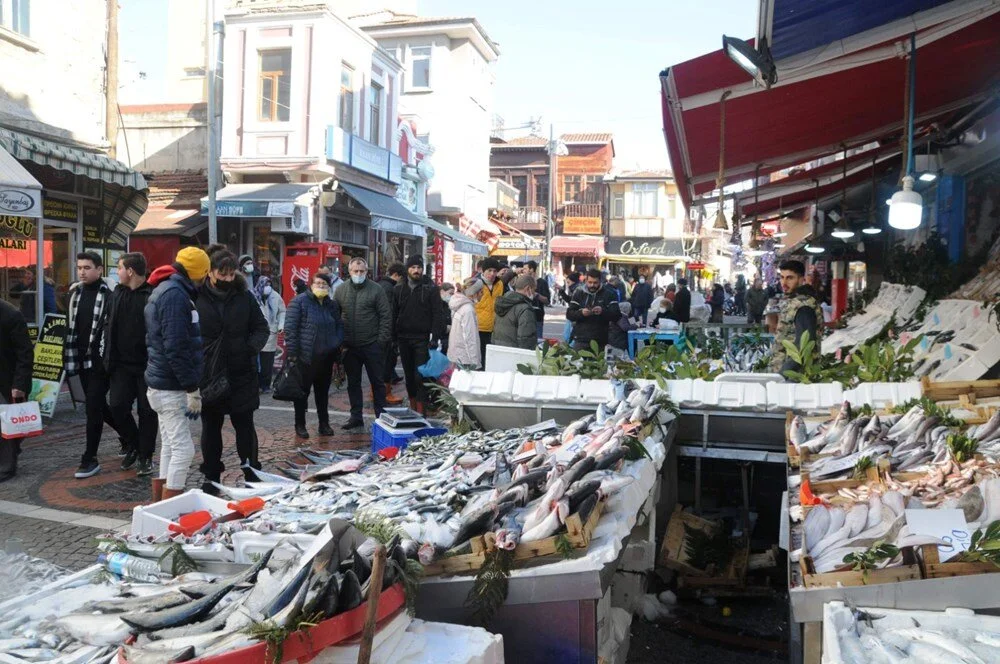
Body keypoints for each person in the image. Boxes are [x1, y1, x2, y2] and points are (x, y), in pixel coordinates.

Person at [196, 246, 269, 494]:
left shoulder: (244, 296)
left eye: (231, 274)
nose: (227, 279)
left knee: (245, 426)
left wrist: (250, 349)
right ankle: (211, 474)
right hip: (209, 375)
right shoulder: (196, 296)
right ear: (210, 272)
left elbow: (262, 328)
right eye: (222, 274)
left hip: (241, 372)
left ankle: (251, 470)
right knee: (211, 427)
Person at [145, 247, 209, 501]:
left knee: (171, 446)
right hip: (170, 387)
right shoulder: (175, 296)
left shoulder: (168, 289)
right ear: (197, 273)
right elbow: (176, 346)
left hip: (163, 383)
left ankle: (159, 505)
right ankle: (169, 506)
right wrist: (191, 388)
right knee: (184, 450)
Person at [64, 251, 122, 479]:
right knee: (97, 406)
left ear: (99, 270)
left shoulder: (110, 294)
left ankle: (90, 459)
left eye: (87, 267)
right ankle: (131, 438)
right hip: (79, 359)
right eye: (79, 267)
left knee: (93, 409)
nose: (82, 271)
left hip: (101, 361)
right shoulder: (74, 294)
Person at [103, 252, 157, 476]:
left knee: (147, 412)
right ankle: (134, 444)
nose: (118, 271)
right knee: (116, 406)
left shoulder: (152, 295)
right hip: (121, 366)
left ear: (131, 271)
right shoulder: (117, 293)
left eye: (119, 267)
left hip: (147, 366)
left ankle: (145, 456)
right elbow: (108, 323)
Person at [285, 272, 345, 439]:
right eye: (317, 283)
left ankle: (323, 424)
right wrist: (293, 354)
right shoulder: (299, 302)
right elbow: (290, 329)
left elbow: (339, 325)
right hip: (305, 358)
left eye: (324, 284)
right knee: (302, 393)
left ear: (329, 287)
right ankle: (300, 424)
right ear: (311, 285)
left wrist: (337, 342)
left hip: (326, 358)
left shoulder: (331, 305)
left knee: (323, 393)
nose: (321, 286)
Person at [335, 257, 391, 429]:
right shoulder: (341, 290)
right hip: (350, 346)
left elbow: (385, 317)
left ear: (367, 272)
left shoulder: (376, 290)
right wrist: (339, 342)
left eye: (362, 271)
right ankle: (355, 417)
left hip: (372, 344)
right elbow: (336, 317)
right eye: (355, 271)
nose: (358, 274)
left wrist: (380, 341)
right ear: (349, 272)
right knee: (353, 383)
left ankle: (381, 416)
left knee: (377, 382)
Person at [392, 255, 446, 414]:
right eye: (413, 267)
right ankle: (413, 407)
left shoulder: (431, 289)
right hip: (403, 338)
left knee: (420, 376)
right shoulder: (398, 289)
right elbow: (393, 314)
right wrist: (393, 339)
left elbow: (438, 314)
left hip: (423, 339)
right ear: (407, 269)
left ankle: (422, 410)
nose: (416, 270)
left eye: (419, 267)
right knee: (409, 376)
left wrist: (435, 337)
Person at [769, 259, 823, 377]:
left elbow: (804, 345)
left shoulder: (803, 306)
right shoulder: (794, 301)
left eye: (789, 278)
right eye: (782, 277)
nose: (783, 283)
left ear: (801, 279)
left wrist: (783, 375)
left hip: (795, 379)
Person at [0, 299, 32, 482]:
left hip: (7, 381)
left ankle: (7, 465)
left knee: (7, 424)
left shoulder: (11, 314)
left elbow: (25, 353)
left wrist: (19, 384)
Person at [566, 269, 621, 351]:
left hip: (601, 340)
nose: (592, 285)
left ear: (600, 281)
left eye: (595, 283)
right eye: (590, 282)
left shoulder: (609, 293)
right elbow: (569, 314)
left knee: (599, 363)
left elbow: (617, 315)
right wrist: (581, 313)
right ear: (586, 281)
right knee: (577, 363)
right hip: (581, 339)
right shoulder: (579, 293)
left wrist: (602, 312)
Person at [377, 263, 405, 404]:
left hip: (380, 331)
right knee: (387, 363)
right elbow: (390, 313)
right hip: (387, 333)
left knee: (382, 363)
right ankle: (385, 393)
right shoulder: (390, 288)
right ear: (397, 275)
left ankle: (376, 391)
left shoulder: (380, 284)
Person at [254, 276, 286, 393]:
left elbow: (282, 311)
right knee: (256, 363)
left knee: (267, 362)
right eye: (265, 284)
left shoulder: (276, 296)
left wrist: (281, 325)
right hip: (256, 334)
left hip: (271, 333)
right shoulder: (253, 296)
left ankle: (265, 385)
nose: (267, 287)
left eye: (269, 284)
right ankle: (256, 385)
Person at [492, 274, 537, 350]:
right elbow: (526, 339)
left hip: (499, 351)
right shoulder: (525, 309)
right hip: (515, 355)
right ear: (528, 288)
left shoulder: (502, 303)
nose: (534, 293)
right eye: (534, 290)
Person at [448, 277, 482, 369]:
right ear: (474, 293)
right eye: (481, 291)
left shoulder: (459, 304)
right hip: (465, 360)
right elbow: (470, 337)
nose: (482, 294)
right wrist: (475, 363)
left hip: (456, 356)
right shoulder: (468, 310)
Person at [475, 258, 505, 360]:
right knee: (479, 358)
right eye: (489, 270)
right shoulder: (475, 283)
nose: (492, 274)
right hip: (478, 327)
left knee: (491, 358)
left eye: (495, 271)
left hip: (494, 328)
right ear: (483, 271)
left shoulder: (499, 284)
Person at [524, 261, 549, 341]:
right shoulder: (523, 282)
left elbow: (547, 301)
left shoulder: (542, 282)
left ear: (531, 270)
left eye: (525, 269)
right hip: (524, 318)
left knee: (538, 342)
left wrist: (536, 295)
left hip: (537, 318)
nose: (523, 271)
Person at [439, 283, 455, 355]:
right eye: (450, 293)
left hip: (447, 340)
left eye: (453, 294)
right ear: (442, 292)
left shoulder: (448, 305)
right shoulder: (436, 304)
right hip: (439, 340)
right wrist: (446, 328)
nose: (452, 296)